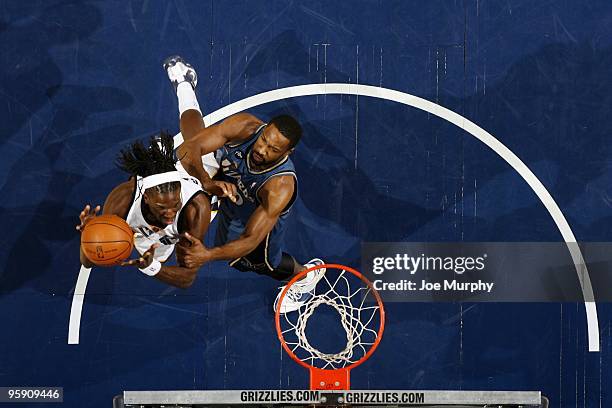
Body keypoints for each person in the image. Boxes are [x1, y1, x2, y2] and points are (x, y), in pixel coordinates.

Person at [163, 55, 325, 312]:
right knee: (196, 142)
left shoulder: (279, 186)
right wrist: (206, 182)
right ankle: (184, 84)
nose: (262, 149)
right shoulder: (245, 127)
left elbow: (250, 239)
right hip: (227, 176)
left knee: (255, 262)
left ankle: (304, 276)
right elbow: (189, 148)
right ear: (263, 129)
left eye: (273, 149)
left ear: (288, 152)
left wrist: (208, 254)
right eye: (264, 141)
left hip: (248, 205)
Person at [76, 132, 211, 288]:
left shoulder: (196, 209)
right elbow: (87, 262)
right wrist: (89, 234)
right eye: (162, 207)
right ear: (146, 197)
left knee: (196, 135)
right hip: (145, 226)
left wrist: (151, 268)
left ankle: (188, 106)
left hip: (196, 177)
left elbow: (188, 278)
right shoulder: (122, 202)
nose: (170, 213)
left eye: (175, 204)